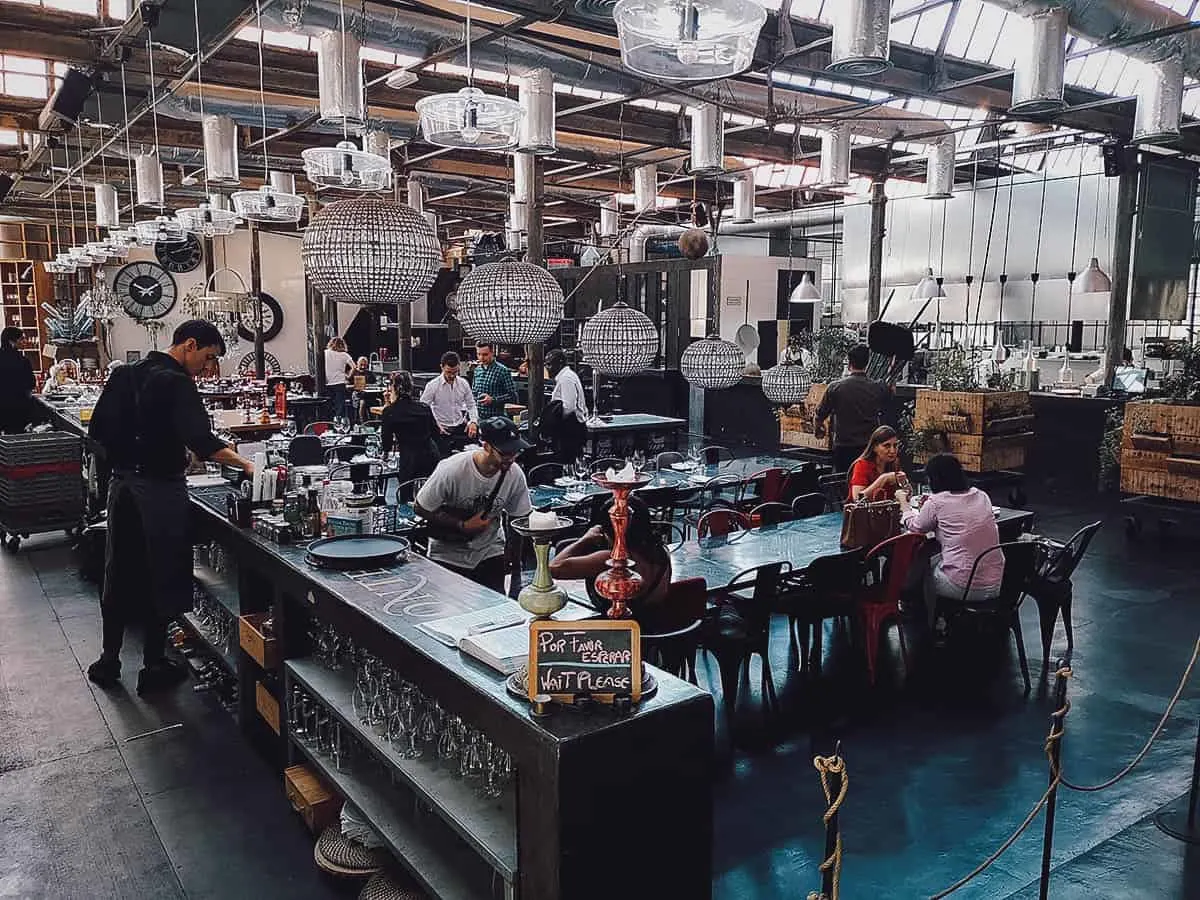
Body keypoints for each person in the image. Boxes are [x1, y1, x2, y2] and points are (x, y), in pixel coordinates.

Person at [86, 320, 254, 694]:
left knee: (118, 571)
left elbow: (96, 430)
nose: (207, 368)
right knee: (162, 573)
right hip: (159, 490)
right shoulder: (178, 382)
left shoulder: (124, 374)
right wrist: (248, 465)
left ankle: (108, 659)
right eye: (208, 358)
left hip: (121, 487)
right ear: (188, 345)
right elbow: (201, 441)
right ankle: (153, 664)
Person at [414, 416, 532, 592]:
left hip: (490, 550)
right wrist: (461, 525)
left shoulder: (515, 474)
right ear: (486, 447)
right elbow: (421, 507)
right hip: (448, 554)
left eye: (515, 452)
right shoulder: (452, 469)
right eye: (505, 453)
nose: (511, 458)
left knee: (495, 608)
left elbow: (518, 519)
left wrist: (516, 569)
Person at [899, 452, 1003, 633]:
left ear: (934, 479)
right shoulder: (982, 496)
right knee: (943, 556)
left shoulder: (937, 502)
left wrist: (904, 504)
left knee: (924, 564)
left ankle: (929, 623)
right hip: (995, 584)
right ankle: (939, 618)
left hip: (963, 587)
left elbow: (915, 527)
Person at [550, 495, 672, 628]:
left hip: (619, 636)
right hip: (653, 629)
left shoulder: (612, 561)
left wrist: (585, 539)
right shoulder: (660, 551)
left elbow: (554, 568)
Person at [815, 343, 890, 473]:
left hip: (844, 446)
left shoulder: (835, 387)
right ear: (867, 364)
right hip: (869, 447)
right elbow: (890, 395)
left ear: (849, 364)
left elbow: (820, 414)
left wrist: (819, 428)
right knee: (866, 482)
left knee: (843, 481)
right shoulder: (878, 387)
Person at [379, 371, 439, 482]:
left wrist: (385, 455)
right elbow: (435, 431)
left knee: (407, 494)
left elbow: (386, 440)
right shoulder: (424, 408)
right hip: (430, 455)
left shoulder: (390, 412)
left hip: (409, 459)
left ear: (393, 388)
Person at [420, 351, 478, 455]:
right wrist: (435, 424)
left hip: (459, 427)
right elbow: (423, 408)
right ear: (441, 367)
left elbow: (471, 404)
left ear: (459, 367)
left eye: (455, 372)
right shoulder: (432, 385)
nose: (452, 375)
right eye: (448, 372)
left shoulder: (463, 383)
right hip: (440, 430)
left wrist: (473, 421)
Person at [546, 349, 588, 463]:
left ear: (559, 363)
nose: (547, 368)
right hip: (570, 428)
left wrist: (554, 422)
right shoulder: (566, 376)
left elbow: (569, 407)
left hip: (570, 430)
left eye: (549, 364)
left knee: (568, 464)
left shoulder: (566, 379)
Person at [848, 425, 909, 501]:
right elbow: (857, 499)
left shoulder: (894, 463)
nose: (893, 451)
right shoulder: (862, 465)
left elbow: (906, 496)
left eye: (895, 445)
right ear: (874, 447)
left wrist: (905, 483)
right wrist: (884, 478)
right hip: (865, 512)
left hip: (888, 510)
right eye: (887, 446)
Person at [0, 326, 36, 434]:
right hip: (17, 407)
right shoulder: (22, 360)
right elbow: (31, 384)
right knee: (16, 440)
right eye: (22, 339)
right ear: (12, 341)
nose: (25, 341)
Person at [471, 341, 518, 420]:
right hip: (478, 418)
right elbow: (474, 393)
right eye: (479, 354)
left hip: (496, 419)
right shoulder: (477, 370)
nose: (481, 358)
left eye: (485, 354)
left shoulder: (503, 371)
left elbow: (513, 396)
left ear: (492, 353)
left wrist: (493, 400)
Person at [324, 336, 354, 421]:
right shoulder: (344, 355)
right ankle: (339, 424)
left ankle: (330, 425)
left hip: (327, 382)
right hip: (340, 382)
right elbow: (354, 367)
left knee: (329, 406)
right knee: (339, 407)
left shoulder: (325, 353)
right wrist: (348, 376)